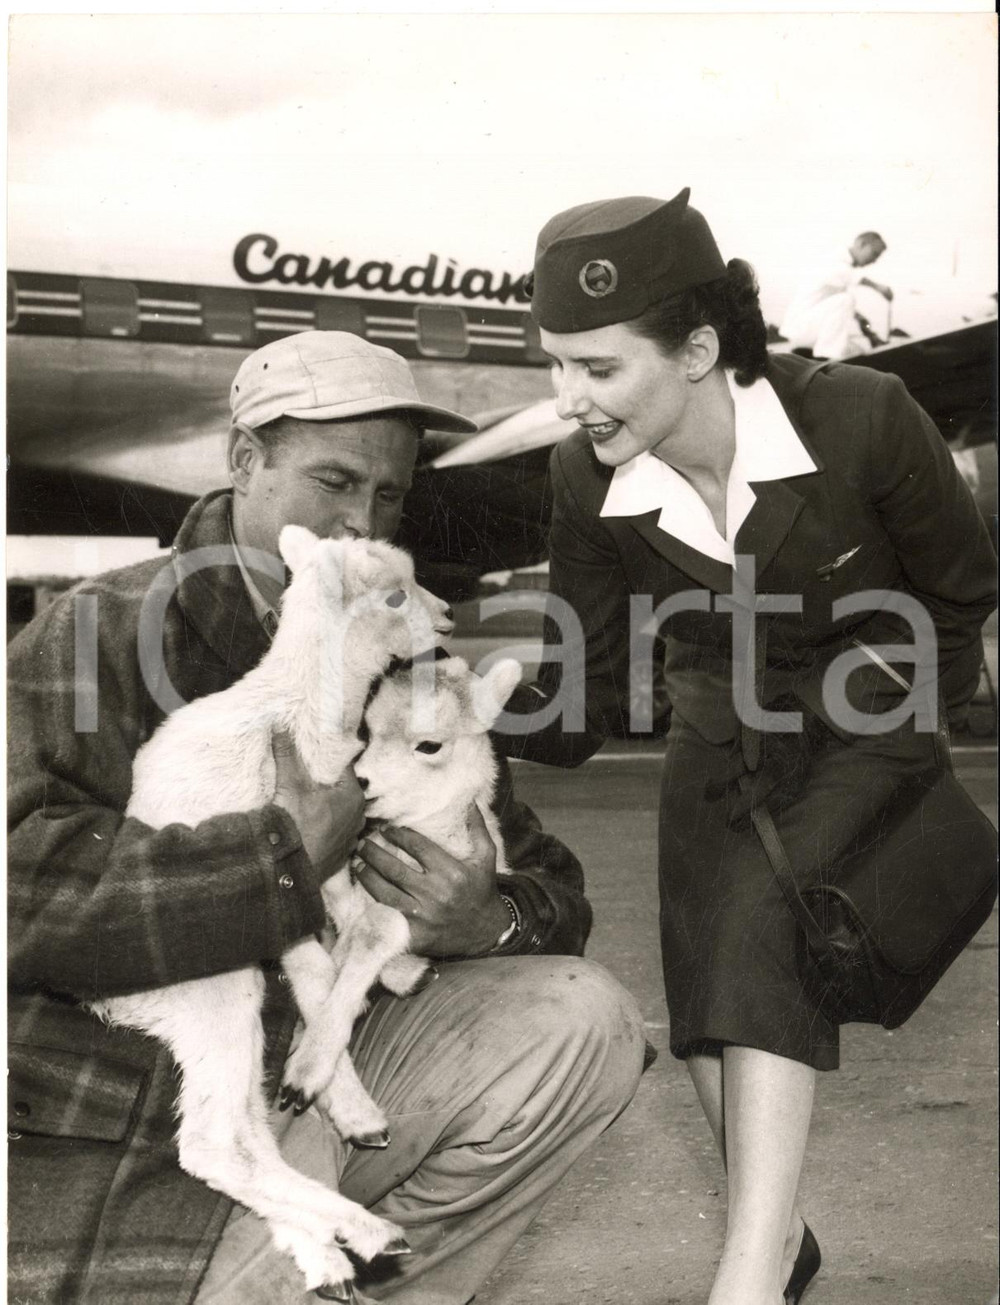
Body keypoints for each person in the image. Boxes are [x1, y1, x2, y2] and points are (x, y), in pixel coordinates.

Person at [7, 331, 646, 1305]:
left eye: (388, 497)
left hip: (341, 1052)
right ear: (244, 460)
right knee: (264, 1225)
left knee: (584, 1019)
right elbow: (18, 893)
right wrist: (276, 859)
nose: (361, 521)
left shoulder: (395, 649)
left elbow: (547, 877)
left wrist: (490, 917)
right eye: (333, 481)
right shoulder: (96, 630)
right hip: (150, 1080)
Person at [495, 190, 996, 1305]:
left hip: (870, 708)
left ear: (698, 349)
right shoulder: (584, 479)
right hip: (715, 733)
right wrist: (478, 701)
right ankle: (784, 1240)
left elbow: (962, 594)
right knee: (709, 1020)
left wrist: (898, 734)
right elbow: (575, 704)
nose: (567, 400)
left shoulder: (863, 415)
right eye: (555, 367)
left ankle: (749, 1278)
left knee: (762, 939)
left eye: (596, 368)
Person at [779, 231, 893, 358]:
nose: (874, 260)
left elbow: (835, 307)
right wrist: (879, 288)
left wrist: (864, 326)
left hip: (807, 331)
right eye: (874, 254)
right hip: (800, 328)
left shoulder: (842, 266)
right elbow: (850, 277)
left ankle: (810, 354)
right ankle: (824, 357)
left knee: (857, 351)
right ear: (862, 244)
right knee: (846, 299)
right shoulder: (835, 259)